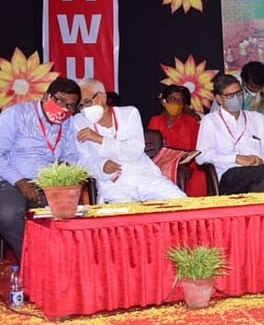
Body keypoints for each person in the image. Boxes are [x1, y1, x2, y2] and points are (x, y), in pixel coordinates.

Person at [0, 78, 81, 260]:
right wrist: (20, 181)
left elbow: (72, 155)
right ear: (46, 96)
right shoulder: (16, 115)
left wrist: (64, 172)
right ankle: (32, 259)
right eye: (60, 101)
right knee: (8, 214)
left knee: (65, 219)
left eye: (71, 105)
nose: (65, 109)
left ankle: (54, 263)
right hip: (11, 181)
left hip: (48, 183)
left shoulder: (67, 122)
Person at [73, 78, 185, 203]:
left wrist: (100, 139)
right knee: (123, 215)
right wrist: (102, 165)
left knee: (179, 200)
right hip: (113, 184)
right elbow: (84, 159)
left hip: (143, 176)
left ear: (102, 98)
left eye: (87, 102)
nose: (84, 109)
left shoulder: (129, 113)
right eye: (80, 105)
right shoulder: (79, 121)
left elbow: (134, 151)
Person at [196, 74, 264, 195]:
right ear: (219, 99)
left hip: (260, 169)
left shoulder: (257, 119)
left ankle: (260, 213)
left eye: (239, 93)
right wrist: (236, 158)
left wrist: (261, 160)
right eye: (230, 96)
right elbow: (202, 156)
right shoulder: (211, 121)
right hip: (229, 175)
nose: (236, 98)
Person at [147, 85, 207, 197]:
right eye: (173, 99)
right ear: (164, 102)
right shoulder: (155, 121)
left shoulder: (191, 122)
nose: (177, 103)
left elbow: (197, 150)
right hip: (161, 167)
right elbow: (152, 152)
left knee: (201, 177)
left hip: (188, 166)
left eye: (180, 100)